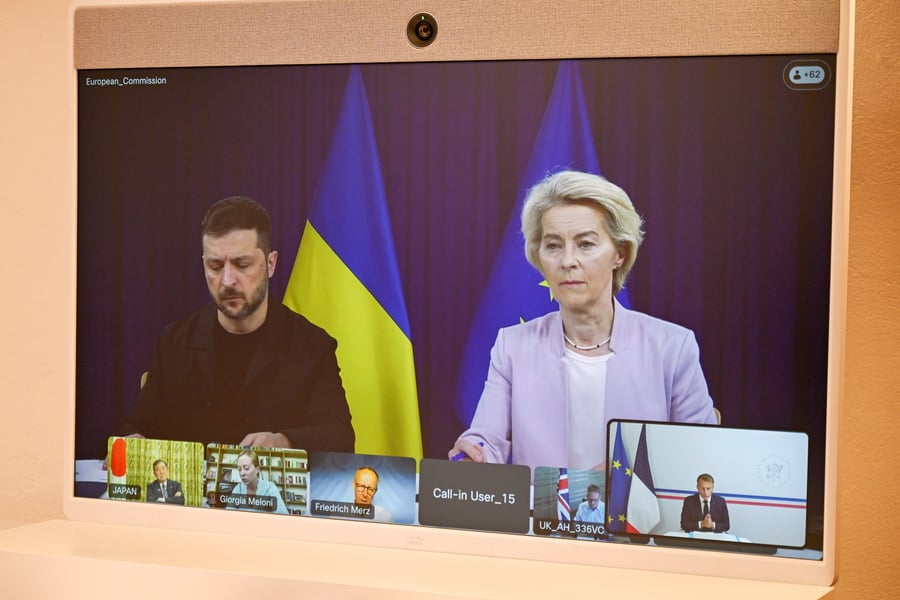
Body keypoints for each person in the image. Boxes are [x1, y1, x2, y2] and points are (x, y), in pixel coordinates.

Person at [449, 171, 717, 471]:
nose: (567, 261)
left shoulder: (672, 347)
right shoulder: (512, 346)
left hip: (640, 504)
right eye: (553, 246)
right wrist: (473, 454)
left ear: (619, 253)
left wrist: (623, 474)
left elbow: (701, 456)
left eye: (586, 244)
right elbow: (486, 439)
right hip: (542, 503)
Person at [115, 196, 354, 452]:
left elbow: (340, 438)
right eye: (215, 266)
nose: (228, 280)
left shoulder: (312, 346)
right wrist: (132, 441)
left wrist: (283, 441)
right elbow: (135, 426)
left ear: (271, 264)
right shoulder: (175, 341)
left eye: (242, 265)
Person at [228, 450, 289, 514]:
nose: (242, 473)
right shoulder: (238, 489)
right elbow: (229, 514)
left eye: (246, 468)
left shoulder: (270, 488)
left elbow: (283, 515)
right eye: (239, 469)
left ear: (257, 469)